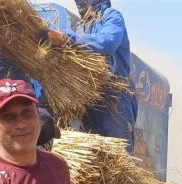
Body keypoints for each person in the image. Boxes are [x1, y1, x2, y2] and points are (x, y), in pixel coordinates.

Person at [47, 0, 138, 153]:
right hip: (91, 98)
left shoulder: (111, 17)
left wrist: (67, 39)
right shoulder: (82, 27)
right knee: (93, 153)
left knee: (116, 153)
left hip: (113, 96)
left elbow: (106, 43)